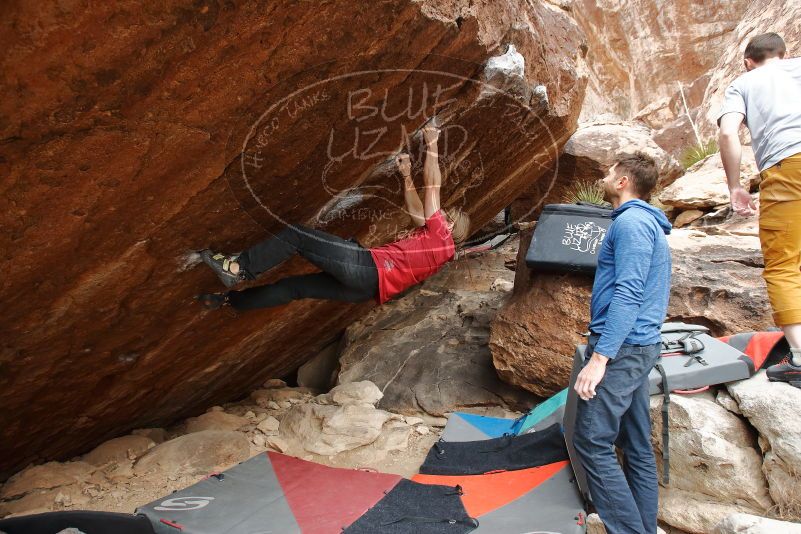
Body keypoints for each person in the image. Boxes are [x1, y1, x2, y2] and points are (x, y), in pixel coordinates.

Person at [196, 124, 471, 311]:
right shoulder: (436, 249)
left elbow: (433, 186)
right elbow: (417, 214)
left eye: (444, 215)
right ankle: (231, 302)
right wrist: (407, 175)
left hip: (366, 268)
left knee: (296, 235)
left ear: (448, 225)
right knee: (294, 289)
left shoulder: (442, 237)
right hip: (363, 291)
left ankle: (238, 269)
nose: (438, 213)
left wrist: (432, 143)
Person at [572, 152, 672, 534]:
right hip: (639, 346)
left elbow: (629, 293)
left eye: (609, 172)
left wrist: (600, 358)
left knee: (592, 440)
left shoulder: (630, 224)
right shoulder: (646, 224)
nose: (603, 177)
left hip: (624, 349)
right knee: (635, 444)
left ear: (623, 181)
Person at [718, 32, 801, 385]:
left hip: (788, 166)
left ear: (748, 60)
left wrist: (736, 185)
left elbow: (727, 133)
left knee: (784, 263)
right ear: (784, 54)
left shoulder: (744, 82)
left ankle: (799, 358)